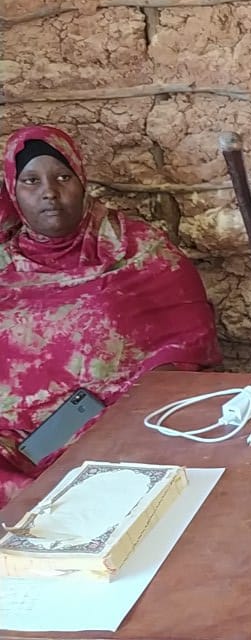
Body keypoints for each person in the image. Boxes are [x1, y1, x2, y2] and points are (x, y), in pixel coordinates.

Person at [0, 125, 222, 507]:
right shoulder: (5, 266)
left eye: (62, 177)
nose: (49, 192)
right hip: (15, 449)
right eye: (31, 181)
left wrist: (122, 415)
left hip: (120, 436)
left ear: (81, 181)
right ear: (13, 191)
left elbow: (186, 347)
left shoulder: (139, 251)